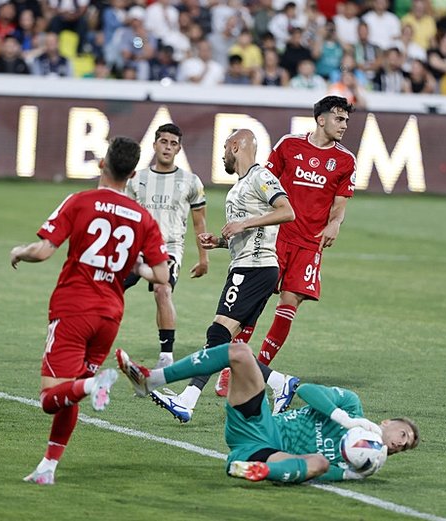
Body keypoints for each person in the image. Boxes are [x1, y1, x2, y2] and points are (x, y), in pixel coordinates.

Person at [11, 137, 170, 485]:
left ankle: (92, 385)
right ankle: (47, 468)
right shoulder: (143, 218)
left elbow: (44, 251)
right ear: (131, 174)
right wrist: (137, 265)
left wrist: (20, 251)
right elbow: (161, 275)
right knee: (72, 390)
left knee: (50, 399)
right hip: (109, 317)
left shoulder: (81, 201)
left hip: (73, 309)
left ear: (103, 164)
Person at [148, 129, 299, 423]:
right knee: (230, 344)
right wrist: (218, 241)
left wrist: (245, 223)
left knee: (218, 335)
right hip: (248, 267)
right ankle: (281, 383)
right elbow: (246, 231)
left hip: (255, 268)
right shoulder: (239, 187)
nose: (222, 156)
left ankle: (187, 400)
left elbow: (287, 211)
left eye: (224, 149)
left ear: (234, 146)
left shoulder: (261, 177)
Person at [116, 341, 419, 482]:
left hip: (266, 452)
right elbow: (305, 391)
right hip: (257, 425)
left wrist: (350, 476)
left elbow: (322, 471)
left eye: (405, 447)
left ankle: (256, 470)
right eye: (403, 434)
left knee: (317, 463)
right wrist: (346, 419)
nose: (400, 443)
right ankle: (150, 381)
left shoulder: (363, 464)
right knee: (239, 352)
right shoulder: (351, 407)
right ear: (387, 422)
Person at [215, 96, 356, 397]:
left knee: (289, 303)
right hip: (276, 236)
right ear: (321, 119)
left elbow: (340, 203)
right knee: (255, 301)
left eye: (346, 120)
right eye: (339, 118)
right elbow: (262, 181)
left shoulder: (345, 160)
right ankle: (231, 369)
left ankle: (257, 371)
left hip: (309, 242)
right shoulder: (289, 145)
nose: (344, 125)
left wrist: (336, 223)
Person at [123, 123, 209, 370]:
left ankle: (166, 356)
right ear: (154, 145)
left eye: (173, 144)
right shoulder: (137, 180)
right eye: (164, 142)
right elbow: (125, 218)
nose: (168, 147)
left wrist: (204, 259)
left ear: (179, 149)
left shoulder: (190, 181)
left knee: (163, 289)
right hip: (137, 247)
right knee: (110, 288)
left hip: (169, 247)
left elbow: (199, 221)